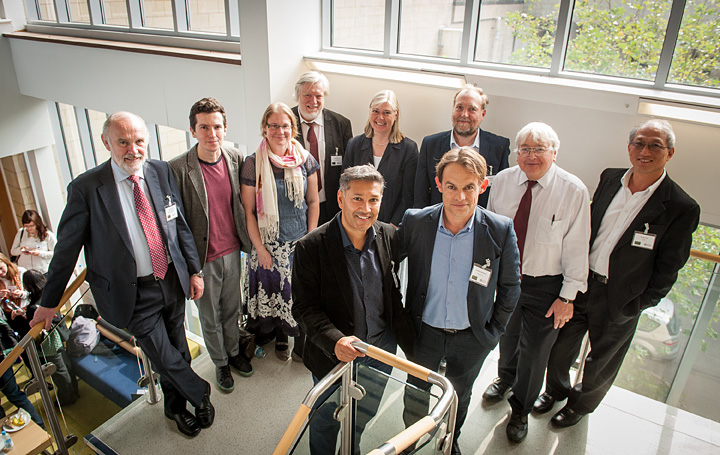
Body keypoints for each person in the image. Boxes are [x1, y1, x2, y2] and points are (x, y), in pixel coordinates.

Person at [30, 112, 213, 438]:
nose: (133, 150)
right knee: (163, 354)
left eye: (139, 141)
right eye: (123, 142)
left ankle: (175, 408)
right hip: (131, 292)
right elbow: (66, 250)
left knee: (178, 348)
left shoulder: (160, 170)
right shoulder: (86, 188)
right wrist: (49, 302)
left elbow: (179, 224)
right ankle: (199, 391)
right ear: (107, 143)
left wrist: (194, 271)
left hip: (171, 279)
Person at [536, 119, 700, 428]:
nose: (645, 151)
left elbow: (670, 266)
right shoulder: (610, 178)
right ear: (629, 148)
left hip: (622, 297)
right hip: (582, 284)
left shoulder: (681, 206)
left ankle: (579, 407)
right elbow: (585, 227)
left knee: (603, 360)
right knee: (560, 347)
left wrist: (639, 303)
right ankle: (554, 391)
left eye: (655, 145)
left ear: (670, 153)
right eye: (639, 143)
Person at [399, 147, 521, 455]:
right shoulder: (416, 222)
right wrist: (397, 317)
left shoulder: (500, 229)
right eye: (451, 187)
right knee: (415, 393)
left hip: (472, 337)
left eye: (469, 187)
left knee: (459, 396)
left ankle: (449, 440)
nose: (460, 197)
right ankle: (408, 443)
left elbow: (510, 287)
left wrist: (493, 332)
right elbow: (385, 264)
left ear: (483, 185)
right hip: (423, 332)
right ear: (439, 185)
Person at [292, 164, 414, 455]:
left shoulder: (388, 235)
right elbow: (304, 308)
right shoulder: (311, 247)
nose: (365, 208)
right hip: (334, 357)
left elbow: (392, 292)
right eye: (357, 198)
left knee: (362, 415)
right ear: (340, 198)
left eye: (373, 200)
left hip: (380, 353)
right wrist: (335, 340)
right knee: (325, 419)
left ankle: (350, 448)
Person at [480, 122, 591, 443]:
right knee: (507, 336)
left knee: (535, 352)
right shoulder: (502, 181)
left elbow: (577, 245)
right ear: (517, 153)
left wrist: (567, 297)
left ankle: (520, 408)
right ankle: (504, 379)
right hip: (507, 279)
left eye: (539, 149)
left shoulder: (573, 190)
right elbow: (490, 231)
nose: (531, 156)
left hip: (547, 285)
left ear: (554, 153)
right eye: (525, 149)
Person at [169, 98, 254, 393]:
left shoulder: (235, 157)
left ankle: (234, 352)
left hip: (233, 250)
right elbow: (176, 222)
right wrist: (190, 268)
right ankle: (220, 362)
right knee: (210, 316)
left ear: (225, 128)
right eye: (204, 127)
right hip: (202, 258)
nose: (212, 133)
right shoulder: (178, 168)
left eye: (217, 127)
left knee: (231, 309)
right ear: (193, 130)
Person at [241, 102, 319, 362]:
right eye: (273, 125)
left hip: (299, 243)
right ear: (265, 128)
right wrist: (260, 249)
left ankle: (300, 346)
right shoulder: (253, 163)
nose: (279, 131)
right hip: (267, 245)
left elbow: (313, 202)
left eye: (285, 126)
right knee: (274, 295)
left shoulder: (305, 160)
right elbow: (249, 212)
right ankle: (281, 338)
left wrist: (310, 240)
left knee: (298, 296)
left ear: (292, 128)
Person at [414, 84, 510, 209]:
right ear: (453, 109)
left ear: (483, 114)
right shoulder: (430, 144)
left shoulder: (499, 147)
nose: (464, 114)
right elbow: (420, 196)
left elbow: (501, 196)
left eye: (472, 109)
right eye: (459, 107)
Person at [342, 90, 418, 227]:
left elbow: (408, 196)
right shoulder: (354, 145)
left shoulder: (408, 149)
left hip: (391, 226)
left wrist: (391, 228)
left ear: (396, 114)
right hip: (356, 222)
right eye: (375, 111)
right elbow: (345, 188)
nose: (380, 117)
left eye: (386, 112)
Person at [292, 71, 353, 226]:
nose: (313, 101)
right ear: (298, 95)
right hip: (297, 208)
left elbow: (349, 169)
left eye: (318, 96)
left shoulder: (341, 124)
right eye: (307, 95)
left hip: (332, 207)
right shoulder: (286, 123)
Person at [21, 270, 79, 406]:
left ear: (28, 286)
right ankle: (74, 391)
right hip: (61, 334)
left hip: (49, 343)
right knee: (66, 365)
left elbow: (33, 327)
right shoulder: (51, 295)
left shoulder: (34, 307)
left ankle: (67, 397)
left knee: (59, 371)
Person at [10, 210, 56, 275]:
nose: (29, 228)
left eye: (31, 226)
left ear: (37, 223)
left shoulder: (48, 235)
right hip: (25, 272)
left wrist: (39, 253)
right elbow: (13, 251)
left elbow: (55, 253)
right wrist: (21, 250)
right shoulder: (21, 232)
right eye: (26, 226)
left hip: (42, 271)